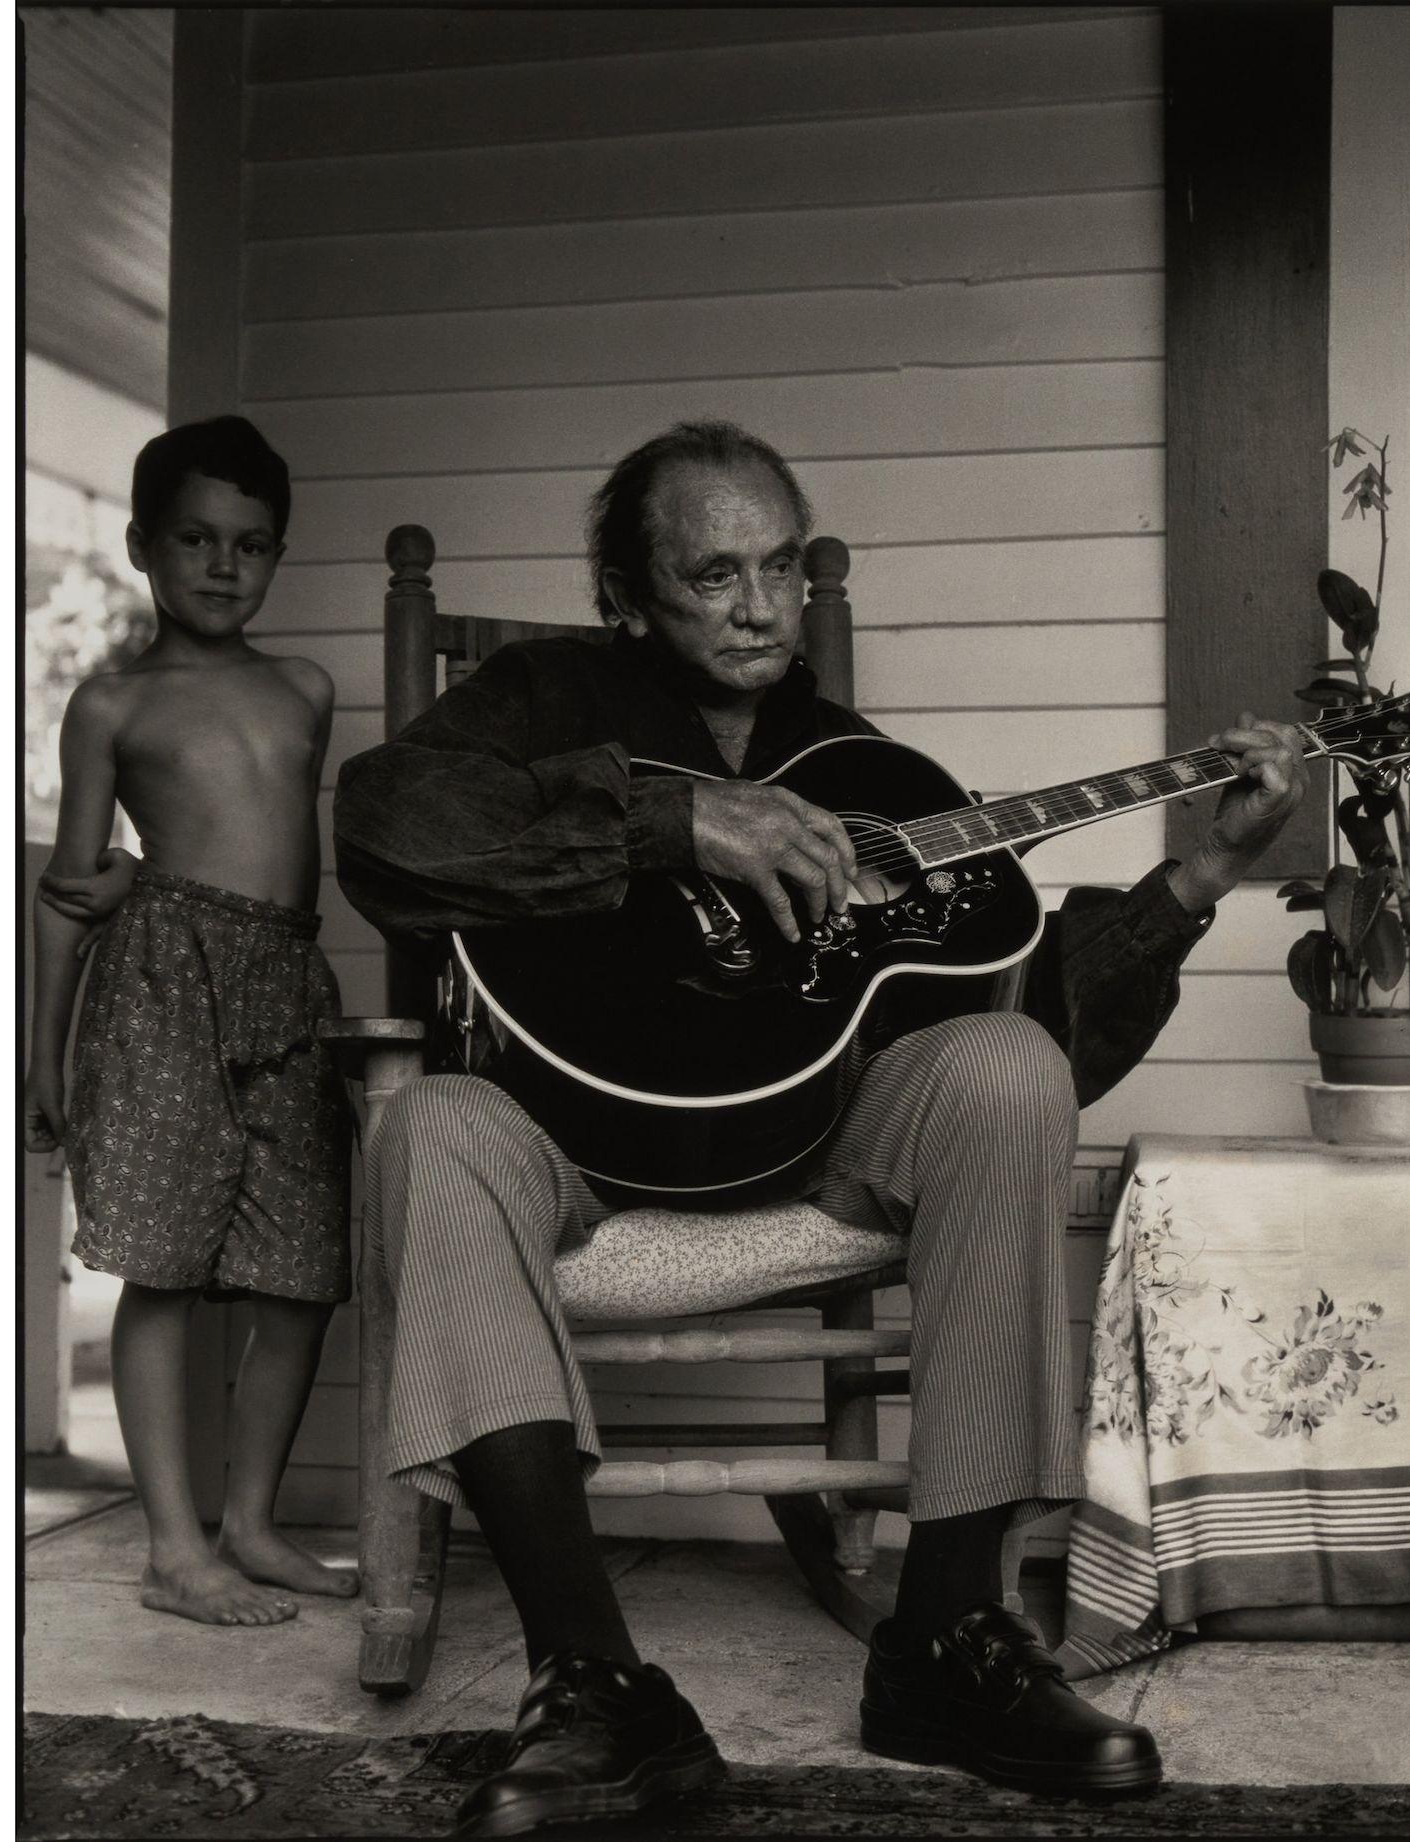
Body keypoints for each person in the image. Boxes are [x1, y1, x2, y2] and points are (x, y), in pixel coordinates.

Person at [327, 421, 1311, 1832]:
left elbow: (1044, 1023)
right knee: (427, 1128)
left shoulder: (870, 772)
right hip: (570, 1147)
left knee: (1005, 1069)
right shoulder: (543, 693)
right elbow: (381, 824)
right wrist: (679, 828)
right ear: (630, 589)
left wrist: (1201, 873)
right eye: (714, 573)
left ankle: (945, 1643)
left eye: (782, 566)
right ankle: (601, 1692)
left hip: (810, 1147)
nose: (762, 605)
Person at [37, 415, 356, 1628]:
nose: (225, 566)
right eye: (197, 539)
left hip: (286, 986)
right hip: (162, 992)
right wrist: (43, 1059)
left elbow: (283, 853)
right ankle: (175, 1547)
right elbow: (70, 892)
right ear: (141, 546)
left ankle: (253, 1520)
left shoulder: (305, 690)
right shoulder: (113, 703)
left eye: (254, 546)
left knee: (299, 1273)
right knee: (163, 1269)